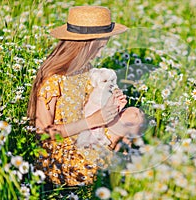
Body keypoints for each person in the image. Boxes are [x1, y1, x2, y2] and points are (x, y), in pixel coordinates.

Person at [27, 6, 144, 186]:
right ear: (83, 45)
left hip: (88, 136)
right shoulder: (53, 80)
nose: (99, 54)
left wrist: (111, 103)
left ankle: (123, 158)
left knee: (134, 116)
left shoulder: (84, 70)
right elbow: (42, 134)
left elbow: (88, 105)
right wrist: (92, 121)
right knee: (110, 170)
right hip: (63, 157)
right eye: (98, 48)